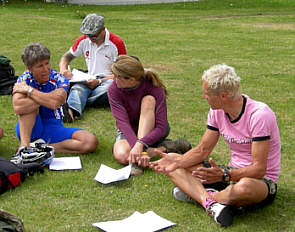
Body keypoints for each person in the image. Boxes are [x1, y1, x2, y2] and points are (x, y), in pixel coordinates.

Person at [150, 64, 281, 226]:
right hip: (228, 174)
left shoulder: (259, 115)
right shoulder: (216, 111)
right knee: (172, 159)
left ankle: (199, 194)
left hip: (259, 181)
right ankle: (214, 204)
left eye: (206, 93)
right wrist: (176, 163)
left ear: (223, 96)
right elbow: (202, 150)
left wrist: (224, 176)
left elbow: (259, 169)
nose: (203, 96)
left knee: (244, 188)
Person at [108, 55, 191, 175]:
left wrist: (139, 144)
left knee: (148, 100)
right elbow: (122, 123)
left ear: (131, 80)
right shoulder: (113, 90)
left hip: (154, 130)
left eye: (117, 77)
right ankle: (166, 147)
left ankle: (138, 160)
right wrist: (138, 148)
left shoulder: (155, 89)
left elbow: (161, 127)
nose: (113, 79)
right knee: (122, 156)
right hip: (130, 131)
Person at [12, 42, 98, 155]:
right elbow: (18, 107)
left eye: (47, 63)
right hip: (30, 128)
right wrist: (47, 98)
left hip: (53, 127)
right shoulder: (24, 79)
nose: (46, 69)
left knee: (90, 142)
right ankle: (25, 146)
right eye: (40, 66)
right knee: (29, 108)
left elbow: (55, 103)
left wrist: (30, 91)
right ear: (29, 69)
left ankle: (39, 148)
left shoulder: (59, 79)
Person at [59, 13, 127, 123]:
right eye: (88, 36)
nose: (90, 39)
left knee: (109, 89)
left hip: (109, 79)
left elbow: (123, 72)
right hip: (88, 78)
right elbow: (66, 57)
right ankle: (71, 112)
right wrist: (64, 70)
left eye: (94, 36)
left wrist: (99, 80)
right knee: (79, 88)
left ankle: (78, 100)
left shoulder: (116, 43)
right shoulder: (83, 40)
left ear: (103, 30)